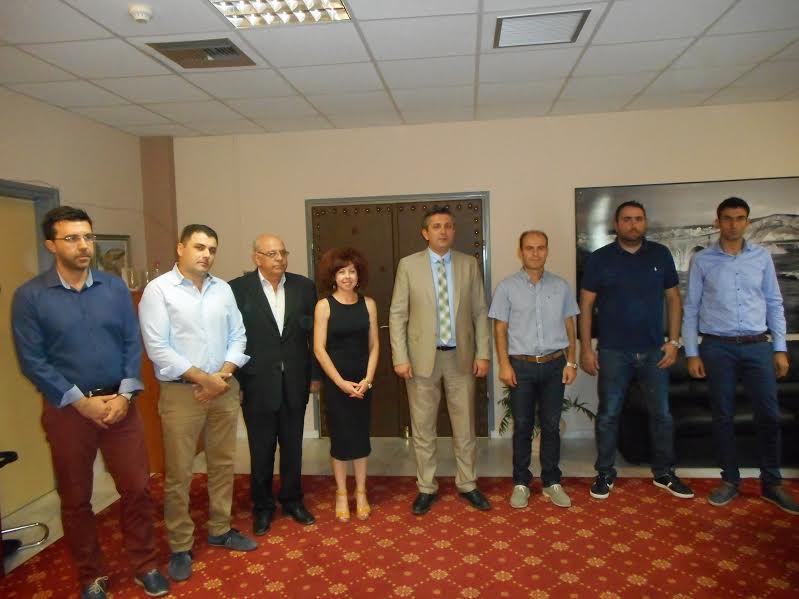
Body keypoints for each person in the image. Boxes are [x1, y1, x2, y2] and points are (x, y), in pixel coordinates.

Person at [11, 206, 169, 599]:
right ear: (51, 245)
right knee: (76, 497)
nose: (83, 246)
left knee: (137, 488)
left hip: (121, 405)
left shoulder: (113, 289)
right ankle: (91, 575)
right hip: (69, 412)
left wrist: (127, 393)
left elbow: (132, 343)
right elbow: (33, 361)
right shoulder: (31, 297)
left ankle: (145, 564)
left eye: (87, 237)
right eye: (72, 238)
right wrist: (80, 402)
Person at [139, 224, 256, 584]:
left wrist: (222, 375)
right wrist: (203, 379)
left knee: (223, 463)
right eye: (200, 247)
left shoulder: (223, 290)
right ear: (181, 248)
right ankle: (180, 545)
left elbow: (239, 335)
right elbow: (158, 347)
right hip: (181, 393)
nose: (206, 255)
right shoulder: (159, 290)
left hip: (224, 386)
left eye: (212, 249)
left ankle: (220, 528)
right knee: (179, 473)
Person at [682, 197, 798, 514]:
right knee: (722, 416)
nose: (733, 224)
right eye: (727, 218)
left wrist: (780, 348)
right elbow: (691, 308)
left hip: (758, 346)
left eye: (739, 218)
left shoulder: (762, 257)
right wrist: (692, 353)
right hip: (717, 347)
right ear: (717, 221)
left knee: (769, 416)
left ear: (747, 222)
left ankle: (772, 483)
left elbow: (774, 303)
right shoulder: (702, 260)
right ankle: (730, 480)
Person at [579, 201, 694, 501]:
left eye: (638, 219)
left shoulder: (660, 254)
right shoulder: (600, 259)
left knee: (662, 415)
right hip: (613, 351)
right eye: (627, 219)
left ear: (645, 222)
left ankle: (664, 473)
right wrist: (586, 348)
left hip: (655, 351)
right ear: (617, 224)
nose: (633, 224)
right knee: (608, 415)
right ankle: (605, 472)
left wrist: (674, 342)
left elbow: (674, 299)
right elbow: (586, 305)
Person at [389, 205, 491, 515]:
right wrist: (400, 357)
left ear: (453, 231)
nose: (443, 231)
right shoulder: (408, 265)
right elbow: (398, 314)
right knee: (423, 428)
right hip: (422, 360)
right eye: (436, 226)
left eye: (447, 225)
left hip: (461, 358)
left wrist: (483, 353)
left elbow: (479, 312)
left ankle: (468, 483)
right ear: (425, 233)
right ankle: (426, 487)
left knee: (465, 426)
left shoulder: (468, 264)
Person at [229, 234, 320, 535]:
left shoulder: (303, 287)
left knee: (293, 446)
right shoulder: (237, 289)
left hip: (294, 380)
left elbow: (314, 336)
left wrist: (314, 375)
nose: (280, 259)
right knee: (261, 448)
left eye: (283, 252)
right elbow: (232, 338)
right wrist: (238, 381)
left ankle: (293, 500)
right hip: (256, 382)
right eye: (272, 254)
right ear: (256, 257)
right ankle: (263, 506)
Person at [489, 230, 579, 509]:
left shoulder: (561, 286)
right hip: (521, 366)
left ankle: (551, 481)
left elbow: (570, 325)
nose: (535, 253)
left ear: (547, 250)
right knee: (523, 426)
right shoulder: (507, 287)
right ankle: (521, 482)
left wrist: (571, 362)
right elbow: (500, 329)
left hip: (554, 365)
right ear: (521, 252)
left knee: (551, 425)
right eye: (529, 248)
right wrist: (504, 364)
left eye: (541, 247)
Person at [313, 248, 379, 522]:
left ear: (358, 274)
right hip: (336, 382)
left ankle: (361, 491)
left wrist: (368, 380)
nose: (347, 276)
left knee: (361, 437)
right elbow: (319, 349)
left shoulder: (369, 304)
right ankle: (342, 492)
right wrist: (340, 383)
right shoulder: (324, 306)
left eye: (352, 271)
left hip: (363, 382)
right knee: (340, 439)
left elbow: (374, 345)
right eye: (342, 272)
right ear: (333, 275)